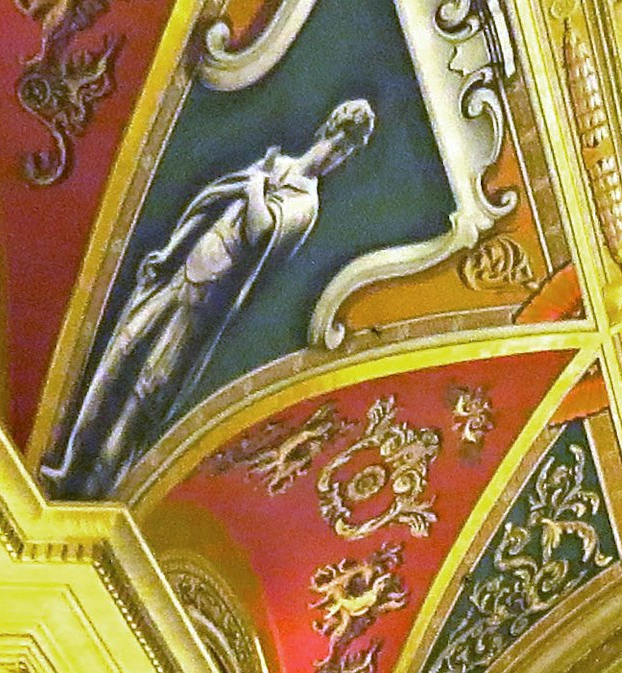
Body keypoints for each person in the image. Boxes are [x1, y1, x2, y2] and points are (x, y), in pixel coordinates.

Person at [44, 97, 375, 497]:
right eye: (337, 143)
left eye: (345, 154)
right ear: (327, 130)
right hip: (179, 278)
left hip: (203, 309)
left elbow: (261, 230)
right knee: (115, 363)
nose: (334, 156)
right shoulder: (279, 164)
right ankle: (68, 468)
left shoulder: (307, 204)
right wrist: (170, 251)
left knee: (140, 398)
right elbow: (212, 203)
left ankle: (94, 490)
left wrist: (256, 186)